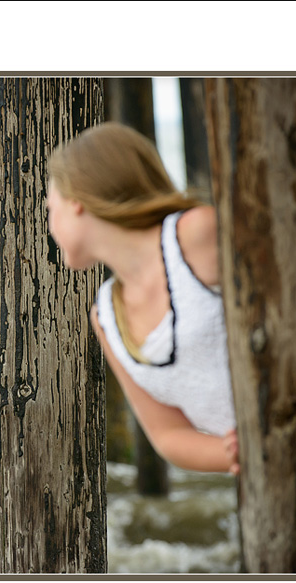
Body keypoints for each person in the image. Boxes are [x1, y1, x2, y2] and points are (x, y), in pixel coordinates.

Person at [47, 123, 239, 475]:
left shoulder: (196, 234)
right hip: (272, 478)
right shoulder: (106, 315)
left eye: (50, 208)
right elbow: (168, 434)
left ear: (76, 202)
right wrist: (237, 452)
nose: (50, 226)